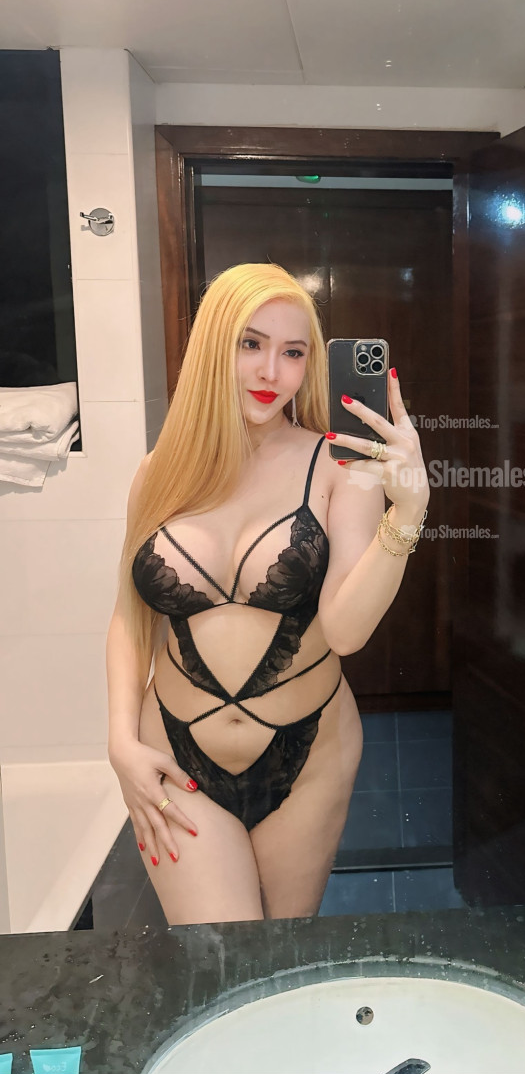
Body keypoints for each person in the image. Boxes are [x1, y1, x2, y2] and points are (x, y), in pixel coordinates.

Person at [105, 263, 429, 925]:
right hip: (172, 750)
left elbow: (346, 632)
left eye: (293, 352)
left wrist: (409, 512)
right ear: (212, 348)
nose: (271, 372)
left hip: (308, 755)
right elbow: (129, 619)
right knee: (221, 961)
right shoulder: (156, 473)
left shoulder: (342, 466)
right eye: (249, 344)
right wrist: (118, 741)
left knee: (280, 963)